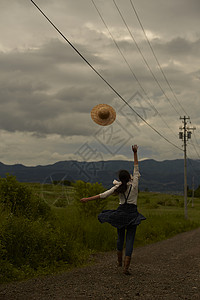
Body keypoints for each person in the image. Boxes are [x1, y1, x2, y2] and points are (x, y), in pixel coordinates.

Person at [80, 145, 145, 275]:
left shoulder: (118, 187)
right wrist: (135, 153)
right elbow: (136, 167)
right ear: (130, 177)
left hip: (121, 213)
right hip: (132, 214)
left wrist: (88, 199)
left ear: (121, 179)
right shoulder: (135, 183)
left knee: (120, 237)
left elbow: (103, 195)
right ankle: (126, 266)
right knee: (130, 239)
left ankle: (119, 262)